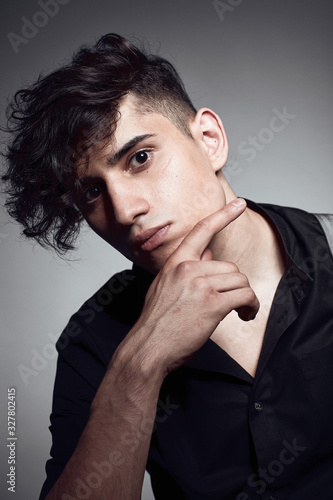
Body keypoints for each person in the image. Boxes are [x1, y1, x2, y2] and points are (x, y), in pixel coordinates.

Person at [2, 33, 333, 500]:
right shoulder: (94, 337)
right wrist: (142, 361)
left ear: (210, 140)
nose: (123, 210)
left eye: (140, 158)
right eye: (92, 192)